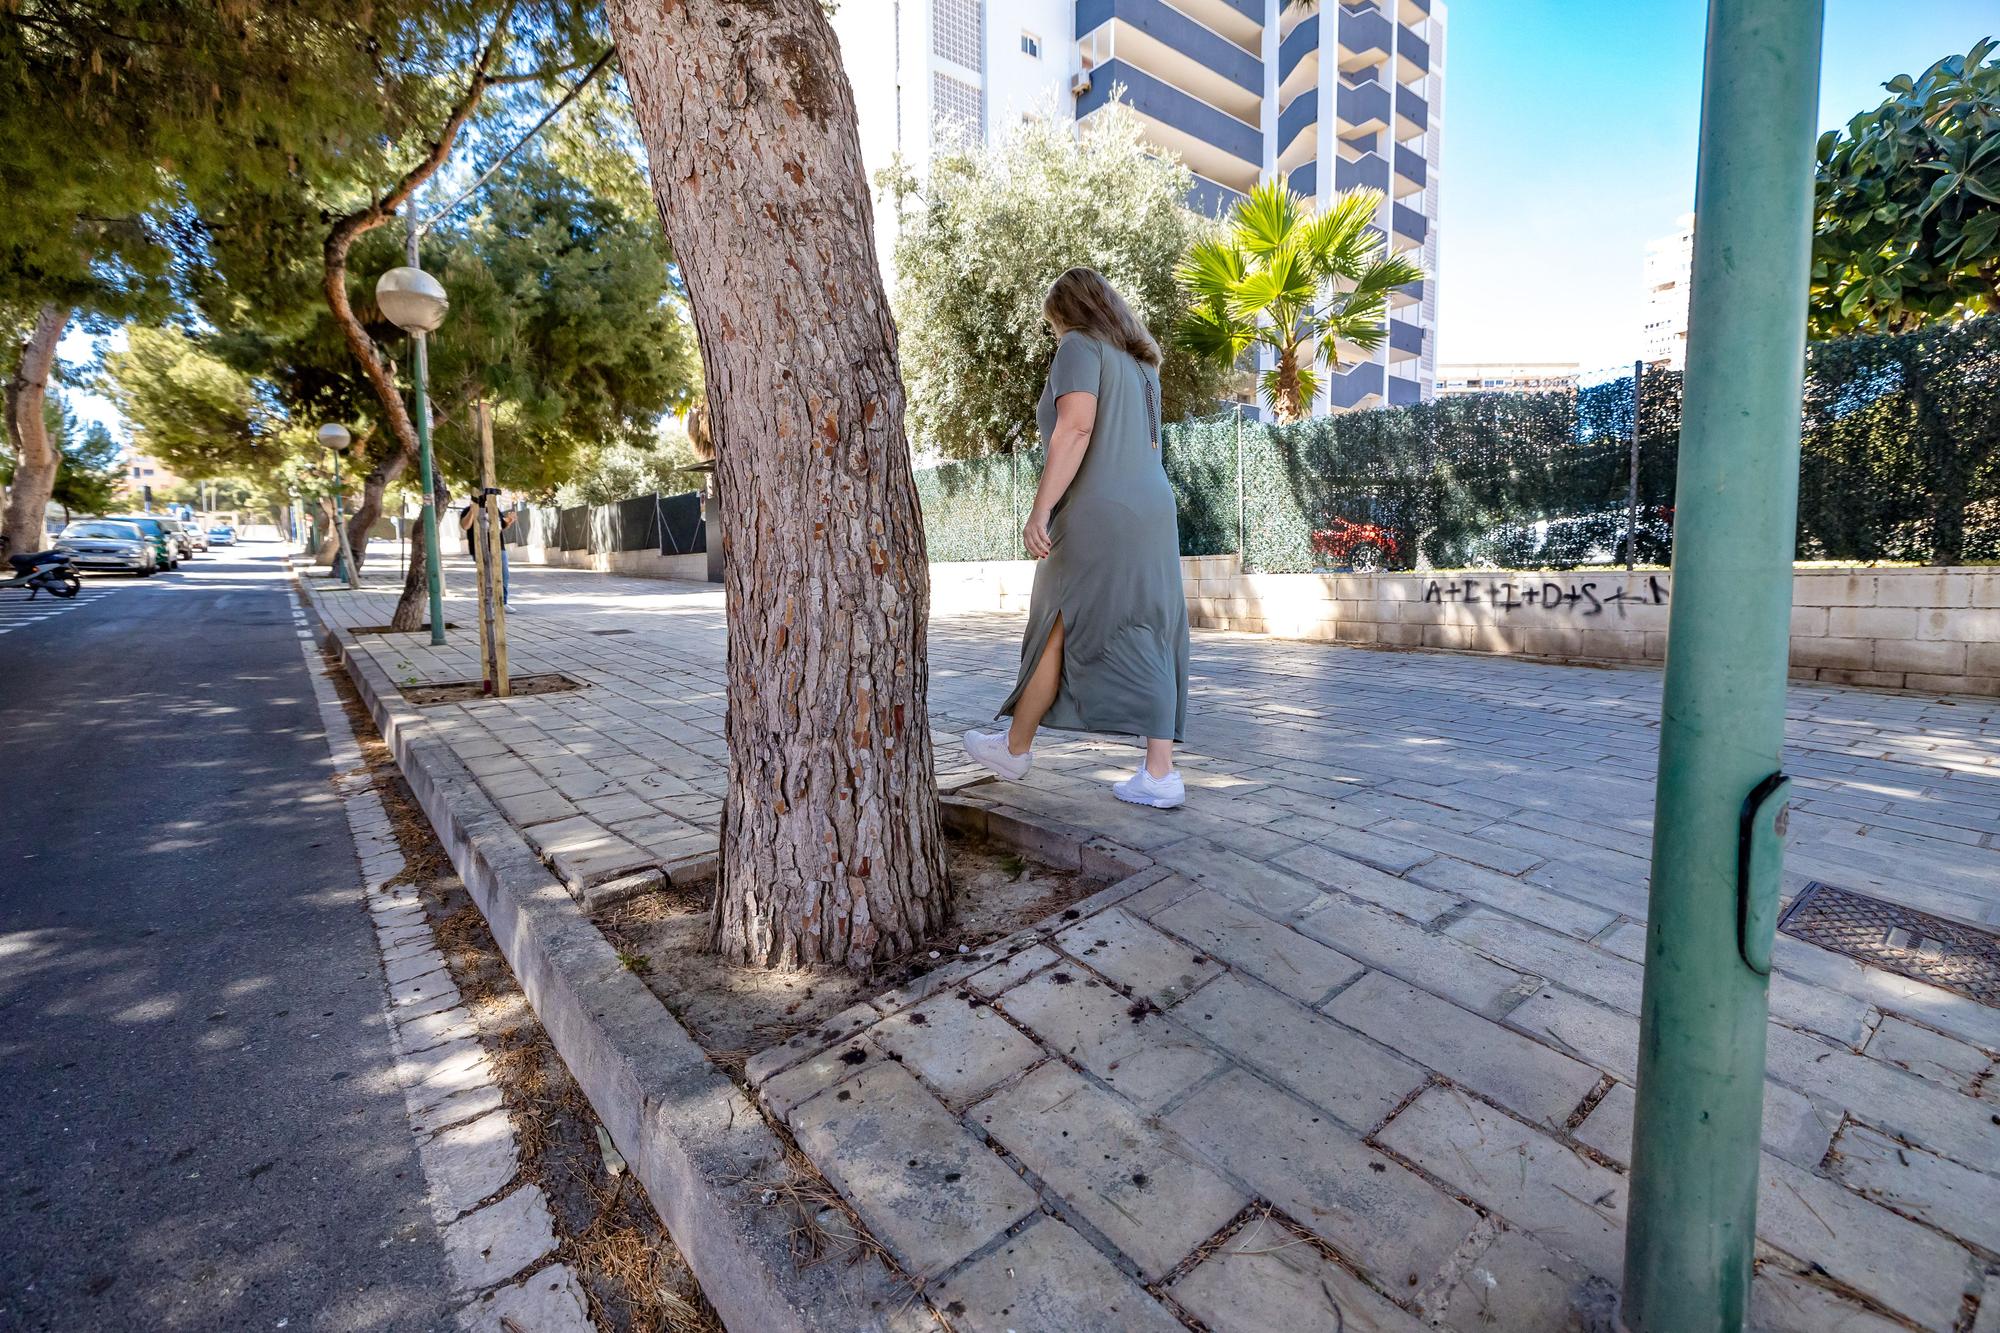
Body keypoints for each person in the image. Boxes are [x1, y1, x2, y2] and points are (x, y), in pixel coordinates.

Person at [962, 267, 1191, 809]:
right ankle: (1160, 774)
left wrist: (1040, 510)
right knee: (1150, 626)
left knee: (1057, 621)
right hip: (1154, 508)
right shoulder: (1142, 366)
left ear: (1065, 312)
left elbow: (1076, 428)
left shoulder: (1078, 347)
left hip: (1098, 509)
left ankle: (1015, 750)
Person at [458, 491, 517, 606]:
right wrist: (472, 509)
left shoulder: (494, 509)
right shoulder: (467, 510)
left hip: (499, 548)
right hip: (479, 549)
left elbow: (502, 526)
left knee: (504, 575)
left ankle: (502, 603)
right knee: (486, 576)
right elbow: (465, 526)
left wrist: (510, 520)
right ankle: (487, 603)